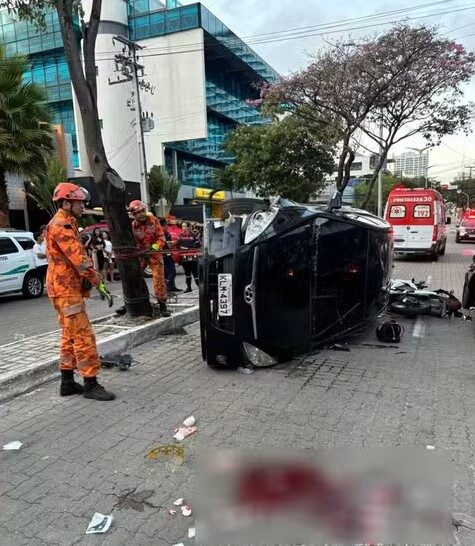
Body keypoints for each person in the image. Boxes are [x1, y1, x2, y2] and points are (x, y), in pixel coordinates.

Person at [45, 182, 115, 401]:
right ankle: (91, 383)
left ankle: (67, 382)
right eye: (79, 203)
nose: (83, 206)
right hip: (65, 289)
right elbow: (80, 261)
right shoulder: (61, 225)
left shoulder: (68, 222)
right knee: (83, 335)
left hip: (63, 287)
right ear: (66, 203)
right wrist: (97, 280)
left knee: (69, 335)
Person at [128, 200, 170, 317]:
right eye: (137, 213)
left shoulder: (154, 220)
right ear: (134, 215)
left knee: (158, 279)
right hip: (142, 255)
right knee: (134, 277)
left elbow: (161, 237)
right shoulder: (133, 226)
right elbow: (133, 242)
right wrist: (139, 251)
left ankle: (163, 305)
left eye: (142, 211)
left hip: (155, 254)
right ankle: (133, 303)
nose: (141, 214)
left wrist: (156, 246)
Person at [159, 217, 181, 294]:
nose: (167, 226)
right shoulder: (163, 233)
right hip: (165, 255)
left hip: (166, 255)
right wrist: (178, 241)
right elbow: (168, 244)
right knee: (172, 272)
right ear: (164, 225)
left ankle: (172, 287)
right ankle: (167, 288)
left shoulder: (164, 232)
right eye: (166, 225)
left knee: (167, 273)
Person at [177, 221, 200, 293]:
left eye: (185, 226)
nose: (183, 228)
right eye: (182, 226)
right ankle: (189, 287)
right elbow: (177, 245)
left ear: (189, 227)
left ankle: (200, 287)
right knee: (187, 273)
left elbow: (197, 244)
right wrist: (183, 248)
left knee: (195, 273)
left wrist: (188, 248)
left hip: (193, 256)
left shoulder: (194, 235)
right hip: (184, 257)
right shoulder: (180, 235)